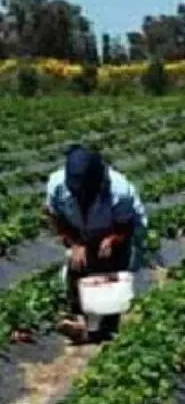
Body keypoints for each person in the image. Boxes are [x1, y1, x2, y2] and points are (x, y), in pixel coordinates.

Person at [45, 145, 148, 342]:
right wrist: (75, 244)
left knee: (114, 269)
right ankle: (77, 317)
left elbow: (126, 227)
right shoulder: (57, 185)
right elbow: (53, 216)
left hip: (117, 230)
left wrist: (111, 240)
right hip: (81, 231)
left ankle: (108, 325)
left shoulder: (120, 191)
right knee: (76, 265)